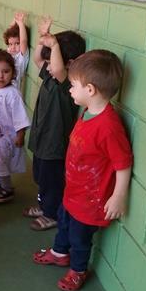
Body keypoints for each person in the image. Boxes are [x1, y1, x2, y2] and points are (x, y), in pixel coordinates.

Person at [33, 50, 133, 291]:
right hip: (73, 191)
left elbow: (123, 163)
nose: (69, 89)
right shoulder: (88, 111)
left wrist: (118, 196)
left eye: (73, 85)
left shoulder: (109, 126)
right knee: (64, 223)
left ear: (90, 90)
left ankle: (77, 270)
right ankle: (59, 253)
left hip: (90, 200)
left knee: (79, 238)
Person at [25, 17, 86, 231]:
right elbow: (37, 59)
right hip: (42, 139)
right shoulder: (50, 76)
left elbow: (58, 68)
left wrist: (56, 45)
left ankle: (51, 213)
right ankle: (44, 205)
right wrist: (43, 38)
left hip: (55, 144)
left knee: (52, 180)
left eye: (53, 61)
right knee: (41, 176)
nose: (48, 66)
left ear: (70, 64)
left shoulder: (66, 82)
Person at [0, 50, 30, 203]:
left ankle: (7, 189)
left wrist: (20, 135)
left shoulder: (12, 93)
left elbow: (20, 116)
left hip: (7, 137)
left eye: (6, 71)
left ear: (13, 73)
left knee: (0, 160)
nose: (1, 76)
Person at [3, 11, 30, 92]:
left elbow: (23, 41)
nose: (13, 47)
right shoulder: (9, 52)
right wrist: (14, 21)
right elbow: (9, 36)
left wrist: (20, 23)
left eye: (17, 44)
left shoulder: (21, 56)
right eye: (10, 44)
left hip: (12, 92)